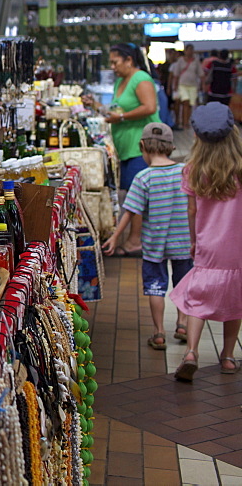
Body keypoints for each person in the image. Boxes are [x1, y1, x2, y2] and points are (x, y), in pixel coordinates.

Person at [102, 122, 192, 350]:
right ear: (171, 147)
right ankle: (182, 324)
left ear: (142, 146)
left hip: (155, 246)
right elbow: (196, 207)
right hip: (183, 243)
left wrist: (115, 237)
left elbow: (130, 212)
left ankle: (159, 332)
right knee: (183, 284)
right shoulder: (185, 172)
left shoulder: (144, 177)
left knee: (155, 287)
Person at [170, 102, 242, 381]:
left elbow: (192, 211)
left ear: (198, 137)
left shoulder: (193, 169)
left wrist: (193, 240)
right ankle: (227, 356)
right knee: (235, 297)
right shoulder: (239, 168)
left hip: (207, 243)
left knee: (197, 298)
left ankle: (191, 351)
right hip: (236, 245)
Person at [83, 43, 160, 255]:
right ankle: (135, 237)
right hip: (126, 146)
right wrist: (95, 105)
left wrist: (122, 117)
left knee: (138, 194)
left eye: (115, 62)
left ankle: (136, 241)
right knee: (131, 192)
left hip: (141, 146)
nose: (113, 67)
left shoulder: (141, 79)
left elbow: (149, 107)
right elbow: (117, 110)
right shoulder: (120, 81)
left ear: (129, 60)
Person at [170, 44, 203, 130]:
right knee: (185, 102)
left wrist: (202, 85)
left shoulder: (196, 61)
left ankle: (187, 121)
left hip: (193, 85)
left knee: (190, 105)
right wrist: (175, 85)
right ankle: (184, 122)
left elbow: (200, 73)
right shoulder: (180, 61)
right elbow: (176, 74)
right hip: (182, 85)